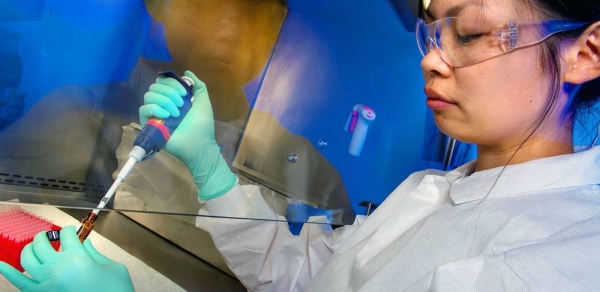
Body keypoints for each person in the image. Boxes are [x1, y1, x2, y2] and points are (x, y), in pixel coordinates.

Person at [2, 0, 600, 290]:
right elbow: (309, 276)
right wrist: (212, 169)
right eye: (433, 31)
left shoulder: (569, 259)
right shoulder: (433, 190)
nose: (433, 60)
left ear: (584, 52)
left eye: (468, 33)